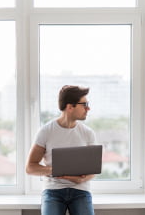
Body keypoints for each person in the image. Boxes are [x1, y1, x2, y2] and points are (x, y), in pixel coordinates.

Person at [26, 85, 97, 215]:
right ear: (70, 107)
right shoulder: (46, 131)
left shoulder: (88, 133)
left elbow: (94, 169)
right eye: (84, 104)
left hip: (81, 191)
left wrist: (81, 179)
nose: (88, 108)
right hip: (53, 190)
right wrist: (55, 170)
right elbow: (30, 167)